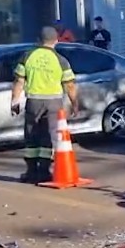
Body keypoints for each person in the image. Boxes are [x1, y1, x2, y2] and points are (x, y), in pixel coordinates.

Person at [11, 26, 80, 184]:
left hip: (33, 102)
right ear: (56, 41)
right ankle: (44, 171)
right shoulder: (61, 60)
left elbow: (19, 81)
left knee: (31, 136)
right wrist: (75, 104)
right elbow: (70, 85)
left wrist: (14, 101)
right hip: (54, 104)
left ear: (38, 40)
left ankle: (31, 172)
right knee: (48, 136)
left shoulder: (27, 57)